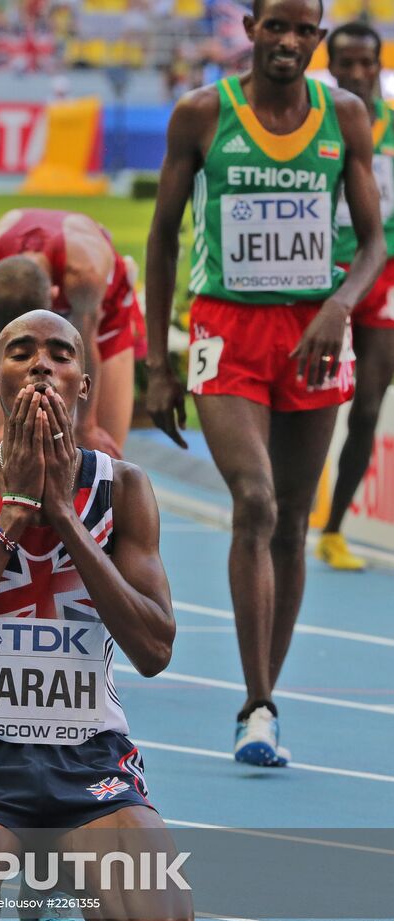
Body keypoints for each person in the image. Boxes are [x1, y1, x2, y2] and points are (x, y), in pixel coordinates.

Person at [0, 309, 196, 921]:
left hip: (88, 763)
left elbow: (154, 651)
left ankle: (59, 877)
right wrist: (11, 518)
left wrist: (64, 517)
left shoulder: (124, 489)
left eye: (60, 353)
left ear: (83, 385)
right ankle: (1, 885)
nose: (41, 364)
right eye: (22, 352)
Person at [144, 0, 385, 766]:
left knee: (289, 525)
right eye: (273, 26)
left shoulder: (344, 116)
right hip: (225, 331)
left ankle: (263, 710)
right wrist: (158, 362)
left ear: (316, 37)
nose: (287, 42)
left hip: (313, 334)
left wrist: (338, 306)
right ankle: (257, 700)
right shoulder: (201, 114)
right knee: (254, 499)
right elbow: (161, 237)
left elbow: (376, 239)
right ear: (247, 29)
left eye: (301, 30)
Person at [0, 208, 146, 458]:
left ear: (54, 296)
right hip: (58, 287)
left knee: (103, 455)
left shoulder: (84, 277)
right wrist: (6, 413)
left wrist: (86, 424)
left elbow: (85, 347)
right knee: (11, 450)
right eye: (22, 346)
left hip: (103, 312)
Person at [315, 22, 394, 570]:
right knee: (301, 399)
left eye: (370, 63)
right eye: (349, 63)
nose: (360, 74)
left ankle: (334, 529)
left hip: (382, 278)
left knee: (367, 405)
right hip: (318, 276)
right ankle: (286, 506)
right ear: (333, 64)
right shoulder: (313, 117)